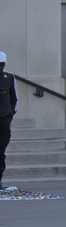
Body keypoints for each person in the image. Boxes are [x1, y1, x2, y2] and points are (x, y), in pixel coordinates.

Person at [0, 51, 17, 191]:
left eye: (1, 64)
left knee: (1, 152)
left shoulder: (9, 77)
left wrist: (10, 114)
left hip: (4, 119)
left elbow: (14, 98)